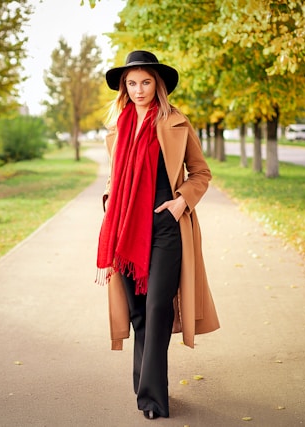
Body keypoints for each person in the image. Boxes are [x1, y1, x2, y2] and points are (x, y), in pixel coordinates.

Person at [96, 50, 220, 420]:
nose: (138, 89)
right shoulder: (117, 129)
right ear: (123, 87)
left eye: (145, 82)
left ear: (157, 84)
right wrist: (110, 202)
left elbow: (201, 172)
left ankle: (152, 396)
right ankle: (143, 382)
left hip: (166, 227)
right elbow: (114, 178)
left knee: (157, 307)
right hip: (125, 229)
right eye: (131, 83)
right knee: (138, 314)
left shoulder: (176, 122)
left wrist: (181, 202)